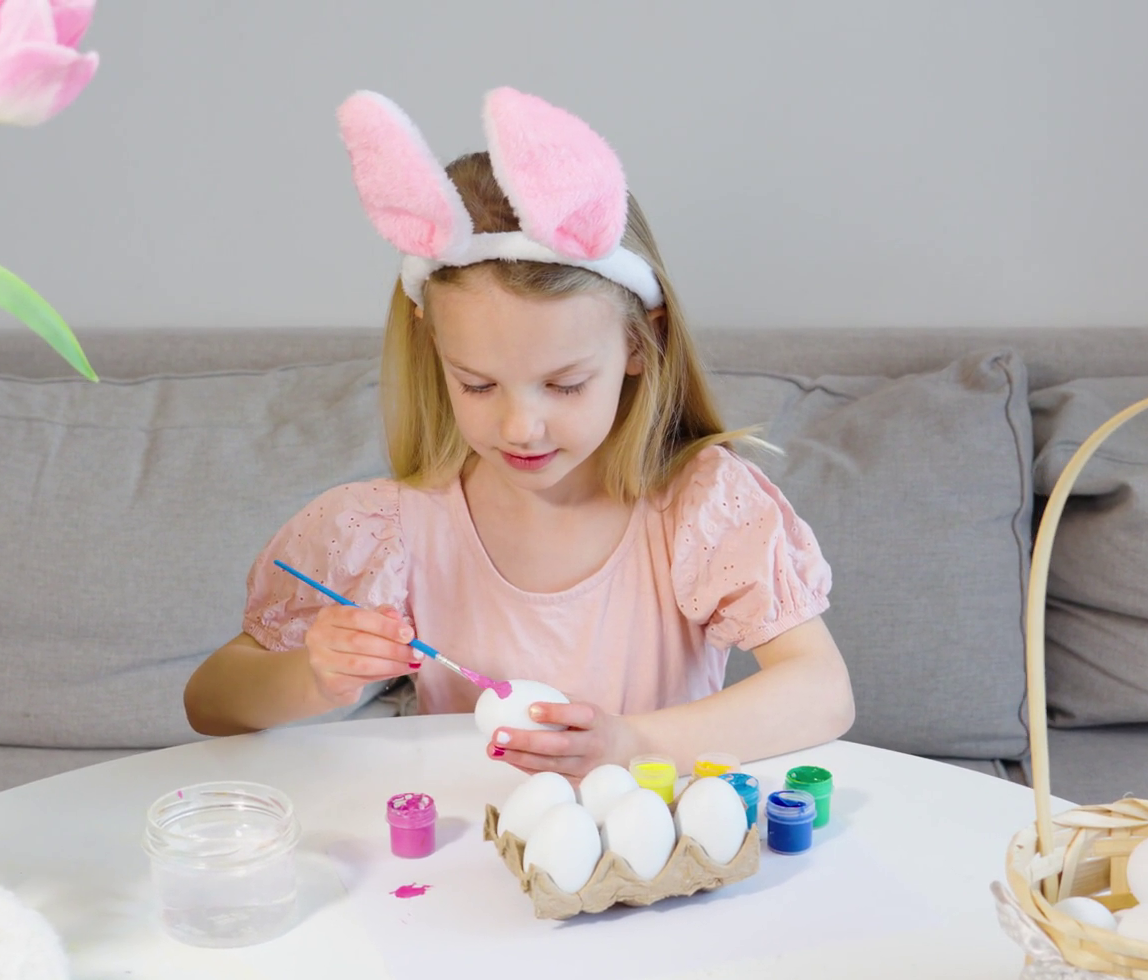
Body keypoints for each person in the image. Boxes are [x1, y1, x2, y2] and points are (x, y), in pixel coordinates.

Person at [184, 87, 853, 779]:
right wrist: (315, 675)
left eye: (564, 385)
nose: (520, 427)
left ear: (639, 343)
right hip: (466, 839)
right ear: (432, 344)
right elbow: (211, 702)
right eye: (477, 384)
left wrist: (630, 745)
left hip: (657, 836)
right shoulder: (385, 530)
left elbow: (821, 690)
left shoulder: (700, 507)